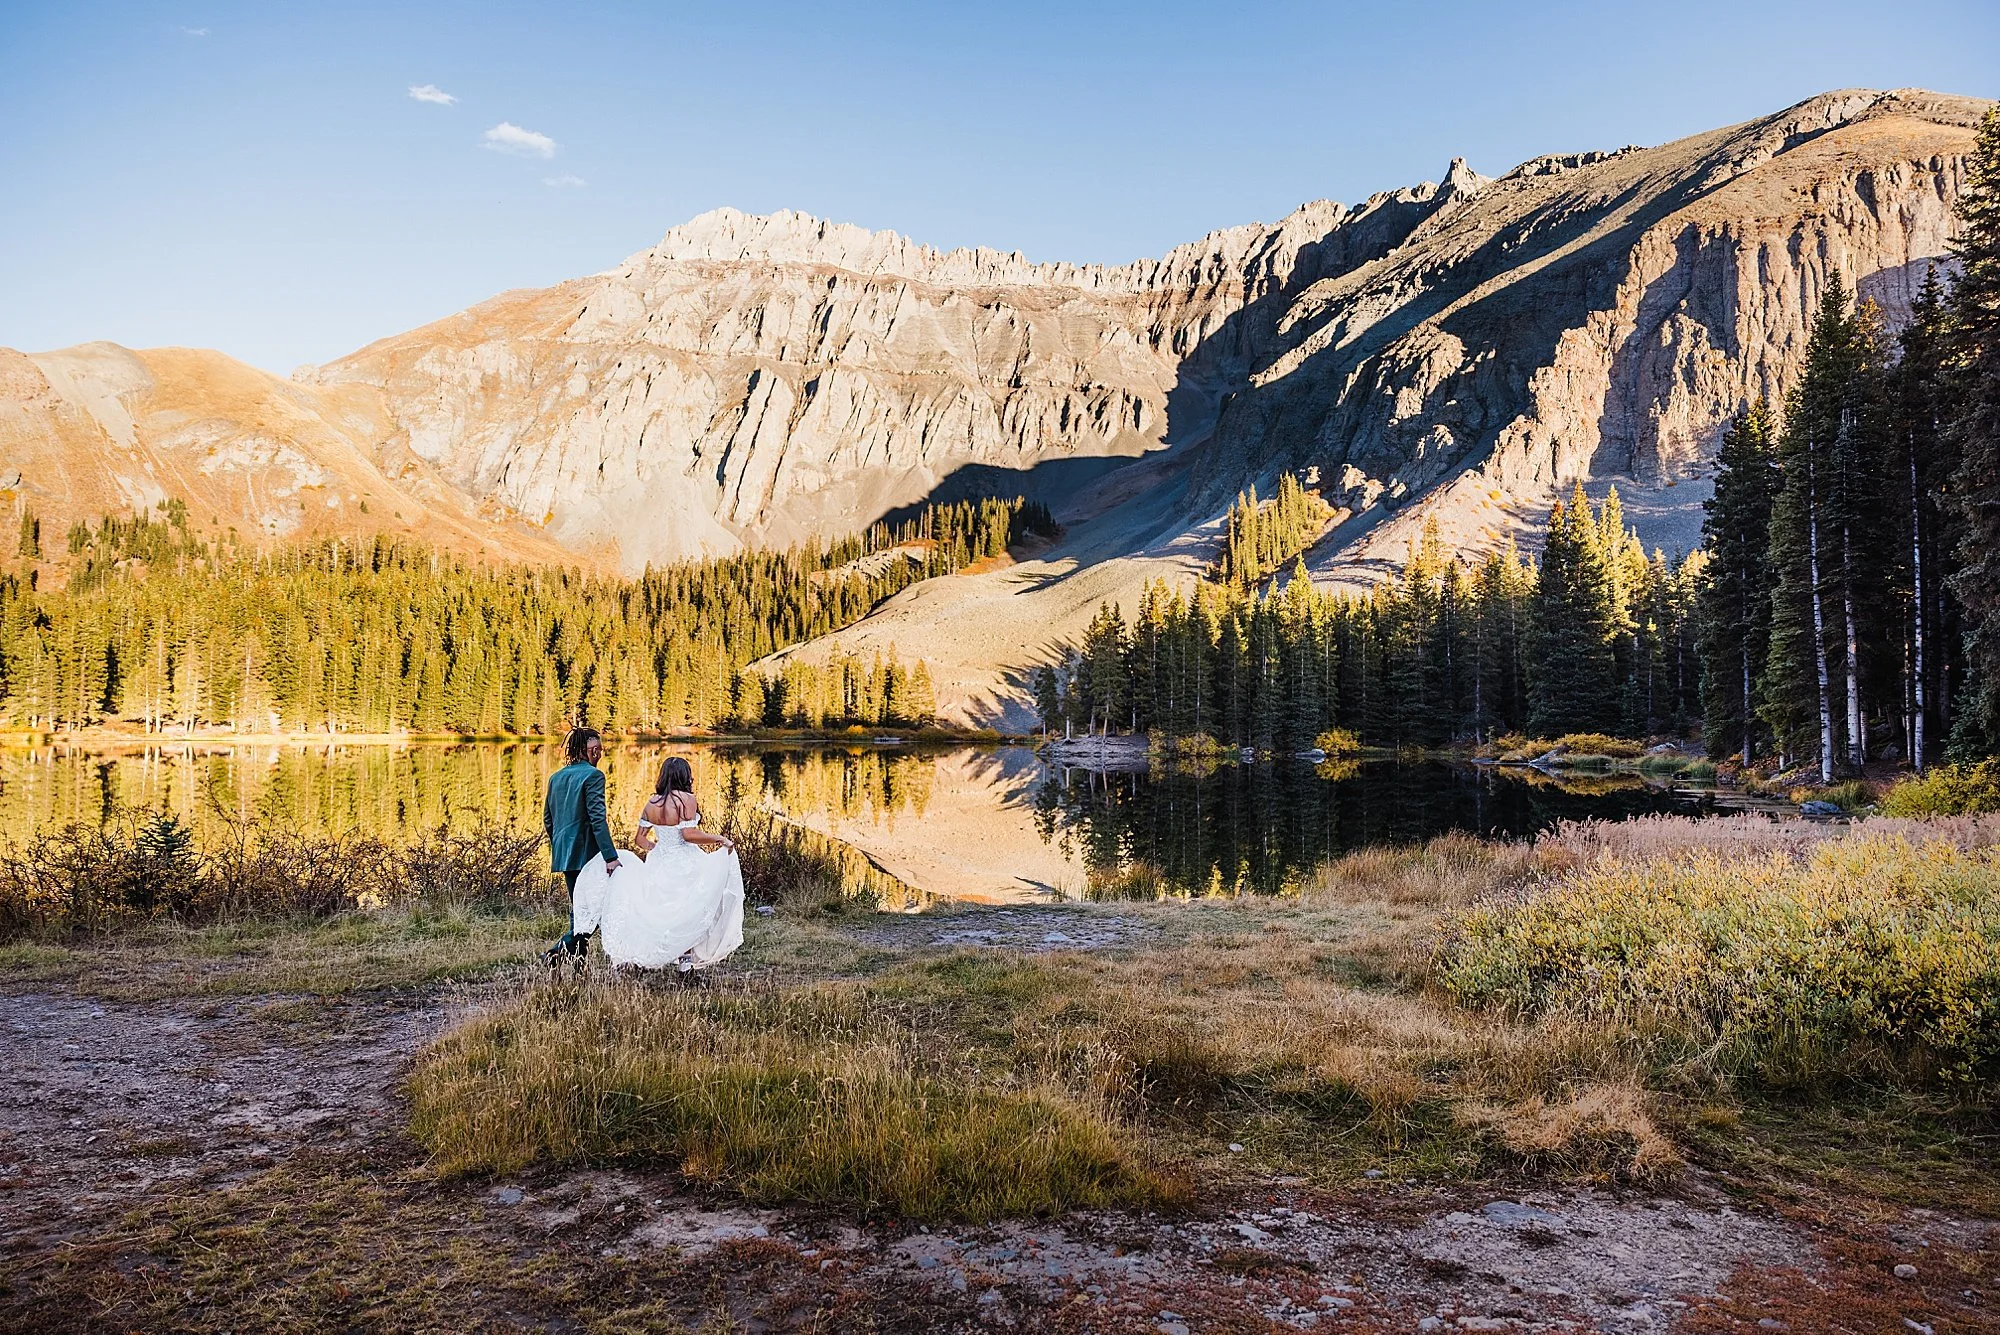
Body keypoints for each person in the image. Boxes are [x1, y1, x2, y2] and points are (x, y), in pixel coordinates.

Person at [568, 754, 744, 977]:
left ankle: (654, 957)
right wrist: (720, 839)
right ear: (684, 776)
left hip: (660, 861)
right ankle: (685, 964)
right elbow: (688, 834)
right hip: (685, 862)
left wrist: (660, 850)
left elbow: (639, 840)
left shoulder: (651, 803)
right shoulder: (687, 800)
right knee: (687, 910)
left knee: (661, 910)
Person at [541, 726, 620, 967]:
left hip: (565, 853)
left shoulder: (556, 777)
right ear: (584, 751)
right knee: (593, 912)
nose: (599, 754)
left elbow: (548, 819)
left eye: (601, 749)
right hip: (588, 854)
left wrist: (561, 843)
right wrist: (610, 856)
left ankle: (578, 967)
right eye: (595, 749)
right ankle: (556, 953)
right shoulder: (593, 776)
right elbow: (597, 819)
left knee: (581, 909)